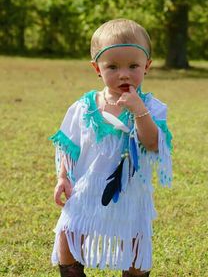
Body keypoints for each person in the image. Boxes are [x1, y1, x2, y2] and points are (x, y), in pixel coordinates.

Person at [49, 18, 173, 277]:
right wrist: (62, 176)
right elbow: (70, 146)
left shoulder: (152, 107)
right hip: (86, 188)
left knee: (135, 248)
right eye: (112, 67)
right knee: (68, 233)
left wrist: (139, 111)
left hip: (129, 192)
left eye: (133, 66)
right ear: (97, 68)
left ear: (147, 66)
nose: (124, 74)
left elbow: (152, 144)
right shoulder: (85, 107)